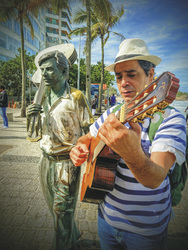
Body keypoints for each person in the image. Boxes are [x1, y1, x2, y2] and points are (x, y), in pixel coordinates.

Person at [69, 38, 186, 250]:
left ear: (151, 75)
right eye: (119, 76)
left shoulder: (171, 119)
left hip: (146, 231)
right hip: (105, 218)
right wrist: (78, 148)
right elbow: (86, 138)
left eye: (131, 74)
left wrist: (132, 153)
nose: (123, 82)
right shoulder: (112, 113)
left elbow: (155, 178)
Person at [26, 47, 94, 250]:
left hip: (67, 164)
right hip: (44, 161)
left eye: (48, 69)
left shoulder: (76, 97)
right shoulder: (41, 97)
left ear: (63, 72)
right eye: (42, 70)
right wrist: (32, 117)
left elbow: (90, 131)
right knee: (54, 211)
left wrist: (85, 155)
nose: (44, 74)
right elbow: (33, 136)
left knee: (62, 212)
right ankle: (73, 234)